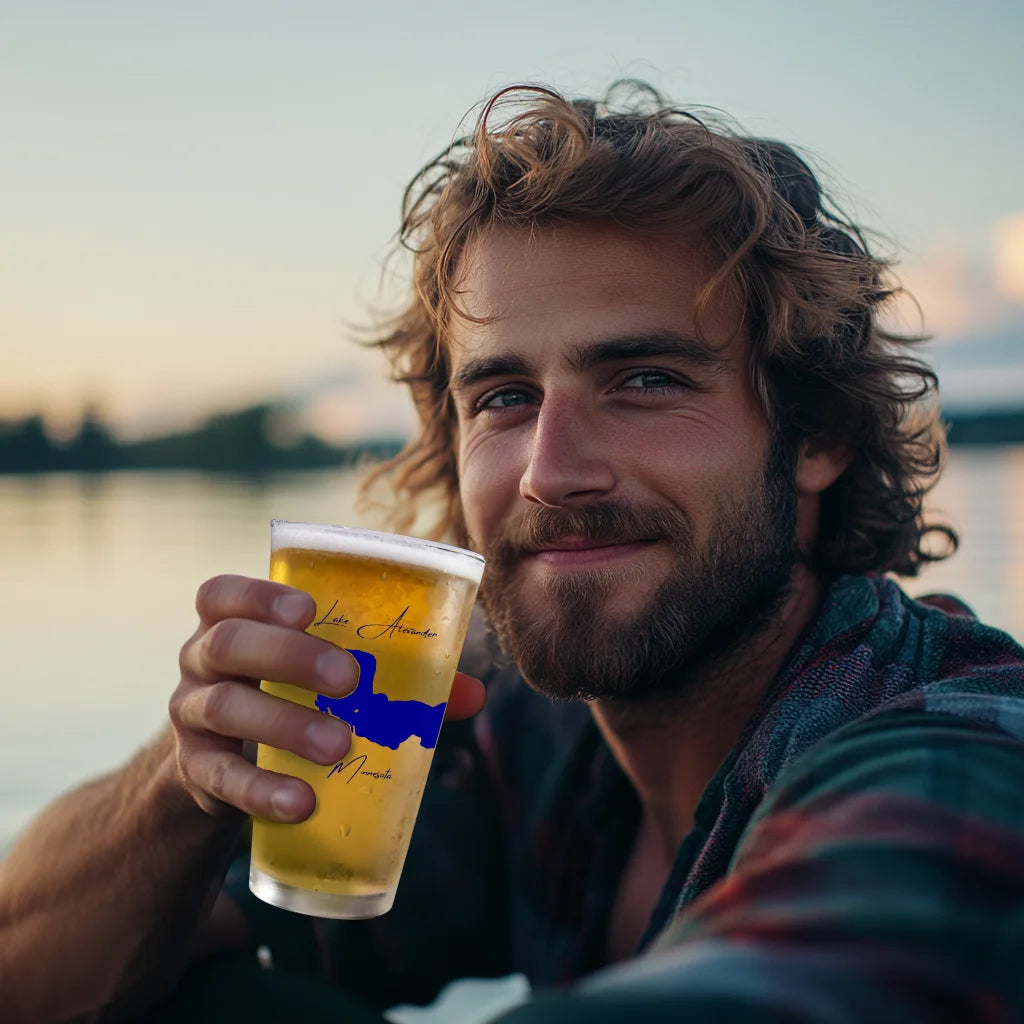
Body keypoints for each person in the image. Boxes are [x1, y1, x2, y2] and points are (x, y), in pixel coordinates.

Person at [3, 82, 1024, 1023]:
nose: (549, 472)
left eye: (645, 381)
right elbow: (28, 975)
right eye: (503, 398)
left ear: (816, 435)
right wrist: (184, 787)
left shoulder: (958, 750)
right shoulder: (516, 733)